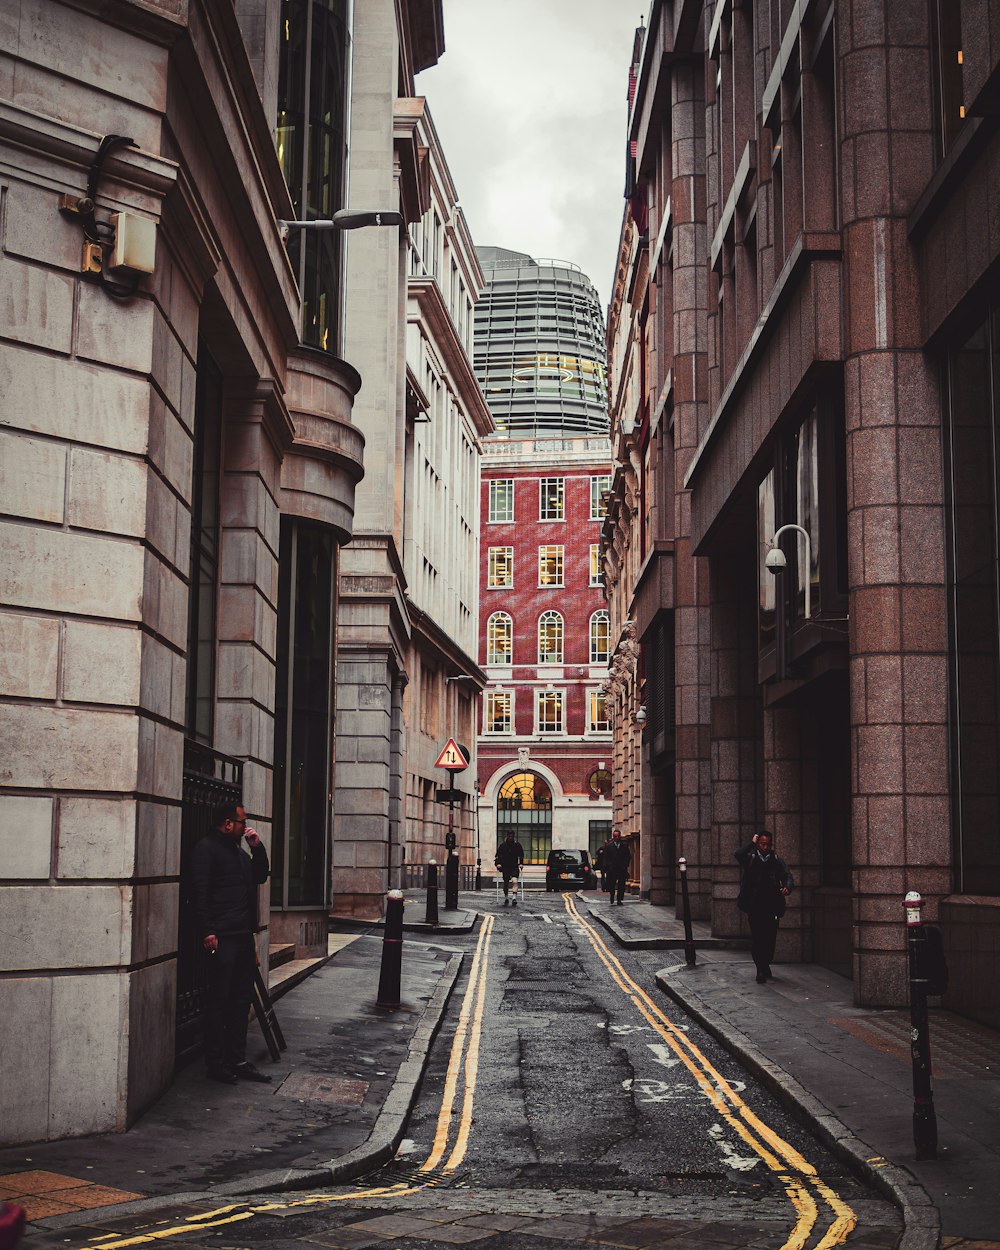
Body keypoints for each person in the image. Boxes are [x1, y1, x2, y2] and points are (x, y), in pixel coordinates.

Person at [191, 801, 271, 1083]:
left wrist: (257, 847)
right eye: (241, 822)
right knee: (219, 1001)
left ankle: (237, 1059)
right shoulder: (206, 849)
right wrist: (207, 931)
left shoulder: (239, 853)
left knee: (241, 1000)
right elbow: (199, 893)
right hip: (222, 938)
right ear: (227, 823)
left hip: (242, 936)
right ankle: (216, 1063)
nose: (244, 826)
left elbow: (260, 875)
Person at [735, 831, 794, 984]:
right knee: (757, 938)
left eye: (768, 844)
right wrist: (751, 843)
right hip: (755, 906)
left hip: (772, 906)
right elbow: (738, 854)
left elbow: (787, 875)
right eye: (762, 844)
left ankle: (765, 962)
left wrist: (787, 887)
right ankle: (760, 969)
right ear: (758, 843)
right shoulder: (751, 859)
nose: (765, 847)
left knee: (770, 938)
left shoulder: (775, 860)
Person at [494, 830, 524, 906]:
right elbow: (497, 856)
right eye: (509, 836)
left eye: (512, 836)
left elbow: (521, 855)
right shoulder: (502, 846)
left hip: (514, 866)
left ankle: (514, 898)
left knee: (515, 881)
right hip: (505, 867)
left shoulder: (517, 845)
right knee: (506, 883)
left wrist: (521, 863)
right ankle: (506, 897)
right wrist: (498, 864)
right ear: (507, 836)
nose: (510, 838)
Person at [603, 829, 630, 905]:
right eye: (615, 836)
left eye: (618, 836)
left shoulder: (624, 845)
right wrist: (607, 866)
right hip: (612, 869)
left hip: (621, 868)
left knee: (621, 885)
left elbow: (628, 856)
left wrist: (625, 865)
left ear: (620, 836)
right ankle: (612, 895)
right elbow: (606, 857)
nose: (617, 838)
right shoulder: (609, 846)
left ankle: (619, 899)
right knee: (612, 884)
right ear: (613, 837)